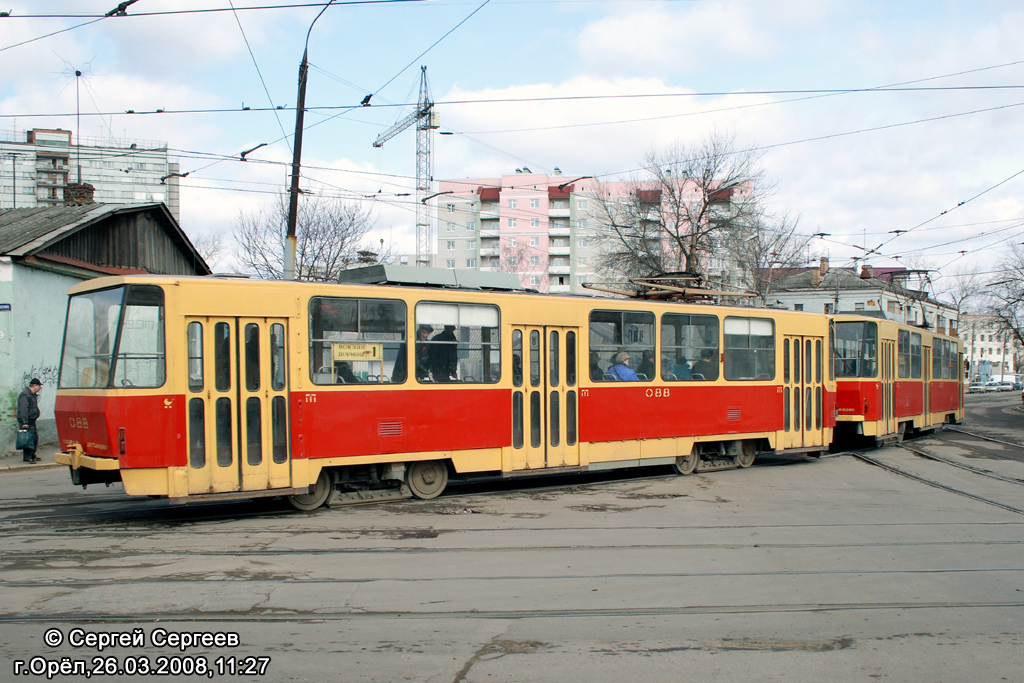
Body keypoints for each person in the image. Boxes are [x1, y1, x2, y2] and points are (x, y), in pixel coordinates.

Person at [17, 378, 42, 463]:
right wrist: (25, 422)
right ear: (34, 385)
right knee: (28, 439)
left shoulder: (32, 394)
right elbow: (23, 409)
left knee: (34, 438)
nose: (40, 388)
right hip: (27, 421)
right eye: (39, 386)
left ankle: (32, 455)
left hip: (31, 420)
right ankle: (27, 457)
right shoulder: (25, 394)